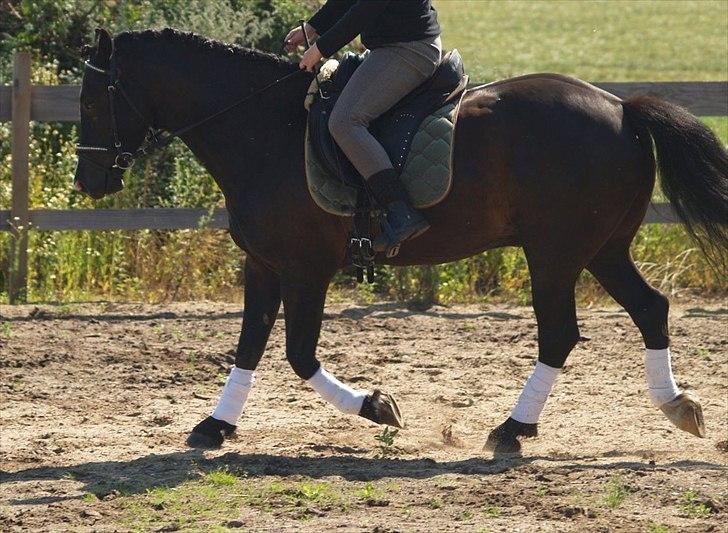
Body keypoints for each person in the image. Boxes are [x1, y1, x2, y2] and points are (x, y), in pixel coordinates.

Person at [285, 0, 442, 252]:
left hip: (408, 50)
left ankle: (401, 211)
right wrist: (312, 27)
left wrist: (319, 49)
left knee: (345, 121)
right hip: (387, 48)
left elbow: (366, 8)